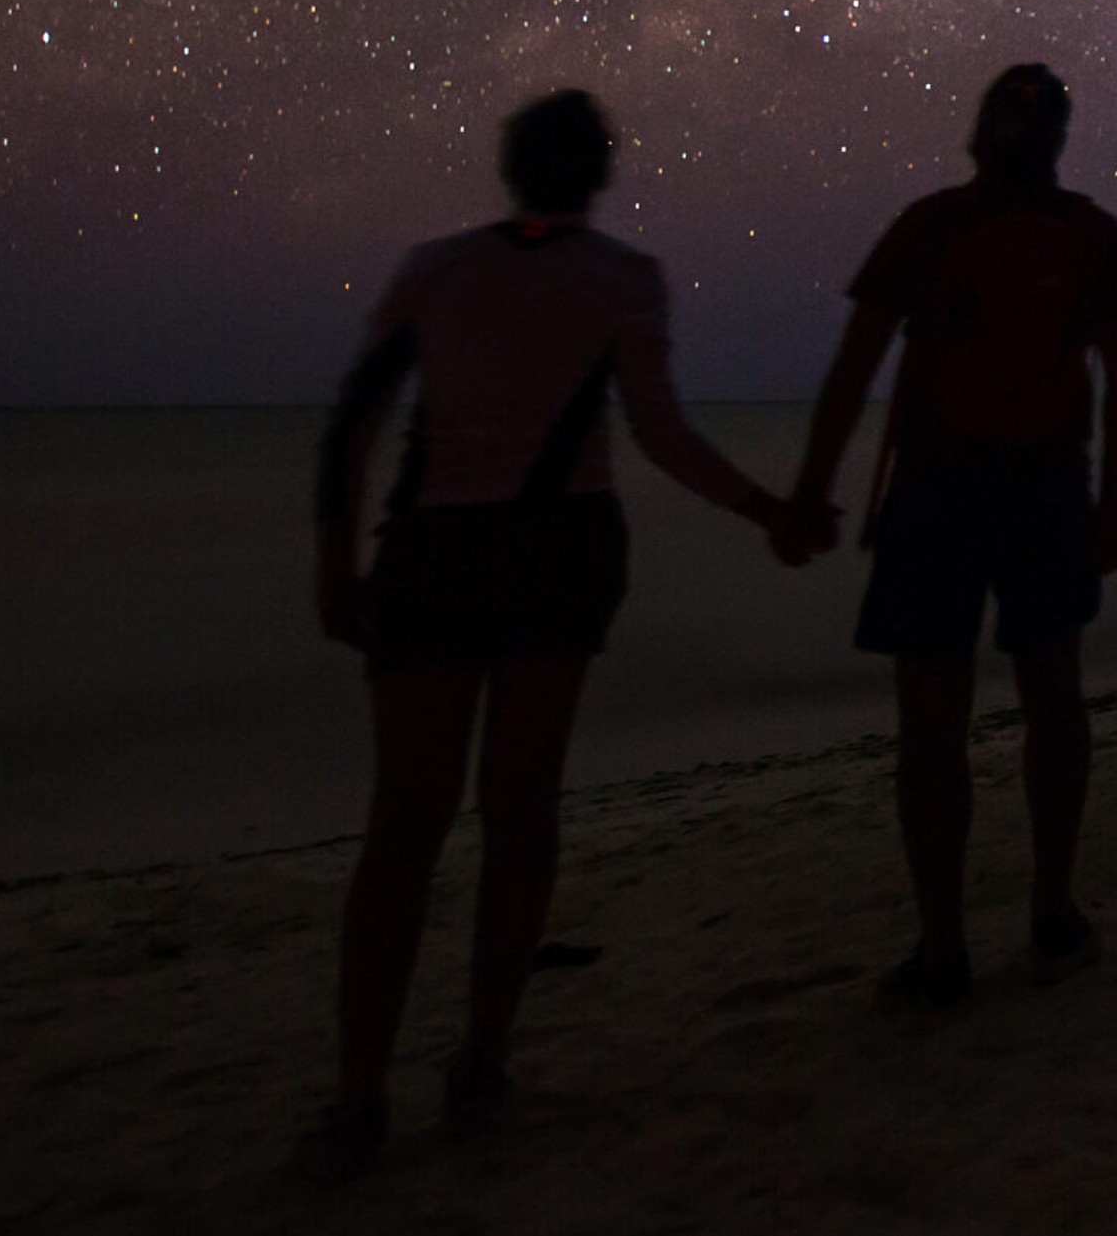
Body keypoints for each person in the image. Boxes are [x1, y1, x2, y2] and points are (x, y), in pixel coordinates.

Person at [305, 89, 810, 1184]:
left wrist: (333, 562)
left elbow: (354, 419)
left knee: (404, 822)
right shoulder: (623, 278)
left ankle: (357, 1100)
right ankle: (479, 1063)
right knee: (519, 808)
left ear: (510, 165)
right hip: (558, 550)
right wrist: (767, 509)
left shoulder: (434, 266)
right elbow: (663, 432)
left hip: (432, 551)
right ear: (598, 172)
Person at [783, 62, 1117, 1007]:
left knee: (932, 726)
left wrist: (813, 489)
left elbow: (855, 367)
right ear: (1060, 142)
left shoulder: (932, 225)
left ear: (981, 132)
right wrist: (1115, 500)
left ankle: (943, 949)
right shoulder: (1094, 235)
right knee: (1054, 701)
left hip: (939, 489)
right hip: (1048, 488)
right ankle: (1053, 916)